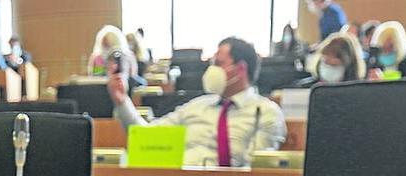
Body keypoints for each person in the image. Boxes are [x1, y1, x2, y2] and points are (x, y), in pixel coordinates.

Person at [108, 37, 286, 168]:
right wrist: (122, 101)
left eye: (219, 63)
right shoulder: (196, 106)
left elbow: (258, 172)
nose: (212, 70)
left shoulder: (265, 112)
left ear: (240, 69)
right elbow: (145, 136)